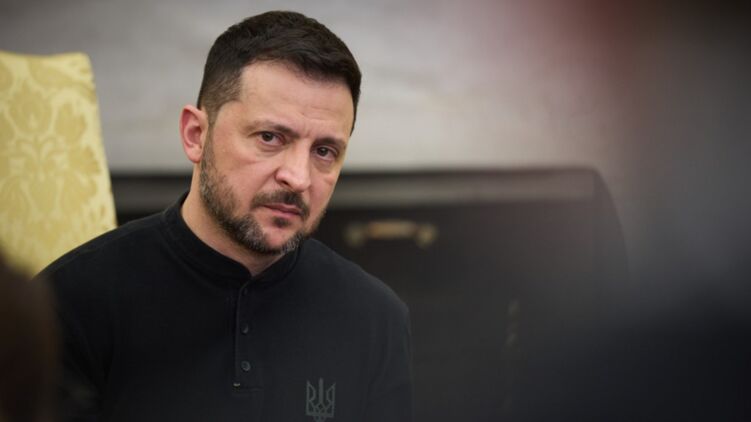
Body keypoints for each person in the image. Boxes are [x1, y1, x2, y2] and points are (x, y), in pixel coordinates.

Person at [40, 11, 413, 422]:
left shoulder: (375, 318)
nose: (298, 177)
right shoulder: (70, 304)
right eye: (270, 137)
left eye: (324, 151)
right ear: (196, 135)